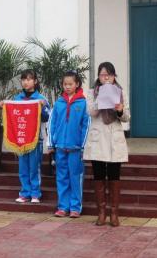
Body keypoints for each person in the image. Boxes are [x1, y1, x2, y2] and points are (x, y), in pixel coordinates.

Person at [83, 62, 130, 226]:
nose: (106, 77)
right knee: (99, 174)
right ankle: (101, 212)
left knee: (114, 175)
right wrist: (101, 98)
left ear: (114, 76)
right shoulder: (91, 92)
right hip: (98, 138)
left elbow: (126, 117)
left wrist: (119, 110)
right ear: (99, 77)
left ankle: (114, 213)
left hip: (114, 138)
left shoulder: (121, 92)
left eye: (108, 75)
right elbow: (91, 112)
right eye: (102, 75)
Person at [0, 69, 50, 203]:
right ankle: (25, 192)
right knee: (23, 168)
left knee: (34, 167)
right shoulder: (17, 99)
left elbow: (47, 117)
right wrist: (4, 106)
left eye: (29, 79)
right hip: (20, 139)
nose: (26, 82)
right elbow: (12, 117)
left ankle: (35, 193)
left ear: (35, 81)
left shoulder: (41, 99)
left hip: (35, 139)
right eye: (23, 79)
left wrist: (43, 108)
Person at [48, 71, 90, 218]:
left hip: (76, 149)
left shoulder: (83, 103)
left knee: (75, 177)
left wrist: (83, 145)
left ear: (77, 84)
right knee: (62, 177)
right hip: (60, 147)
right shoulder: (58, 103)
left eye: (70, 84)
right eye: (65, 84)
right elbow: (51, 124)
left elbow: (86, 126)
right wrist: (51, 143)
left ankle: (75, 207)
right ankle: (63, 207)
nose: (67, 87)